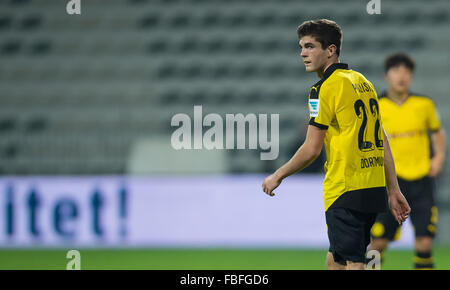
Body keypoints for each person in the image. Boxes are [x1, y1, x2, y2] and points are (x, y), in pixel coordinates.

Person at [261, 19, 411, 270]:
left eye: (310, 46)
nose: (303, 54)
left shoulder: (322, 90)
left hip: (344, 188)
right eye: (301, 47)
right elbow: (381, 138)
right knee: (335, 261)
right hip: (371, 186)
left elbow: (312, 148)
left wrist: (278, 174)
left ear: (330, 50)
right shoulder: (363, 81)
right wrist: (392, 189)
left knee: (354, 263)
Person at [368, 53, 446, 269]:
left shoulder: (424, 105)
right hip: (390, 184)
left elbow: (438, 132)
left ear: (411, 76)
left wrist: (438, 157)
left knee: (424, 241)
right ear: (386, 76)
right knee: (378, 243)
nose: (401, 76)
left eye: (406, 72)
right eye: (396, 71)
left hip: (422, 182)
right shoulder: (376, 107)